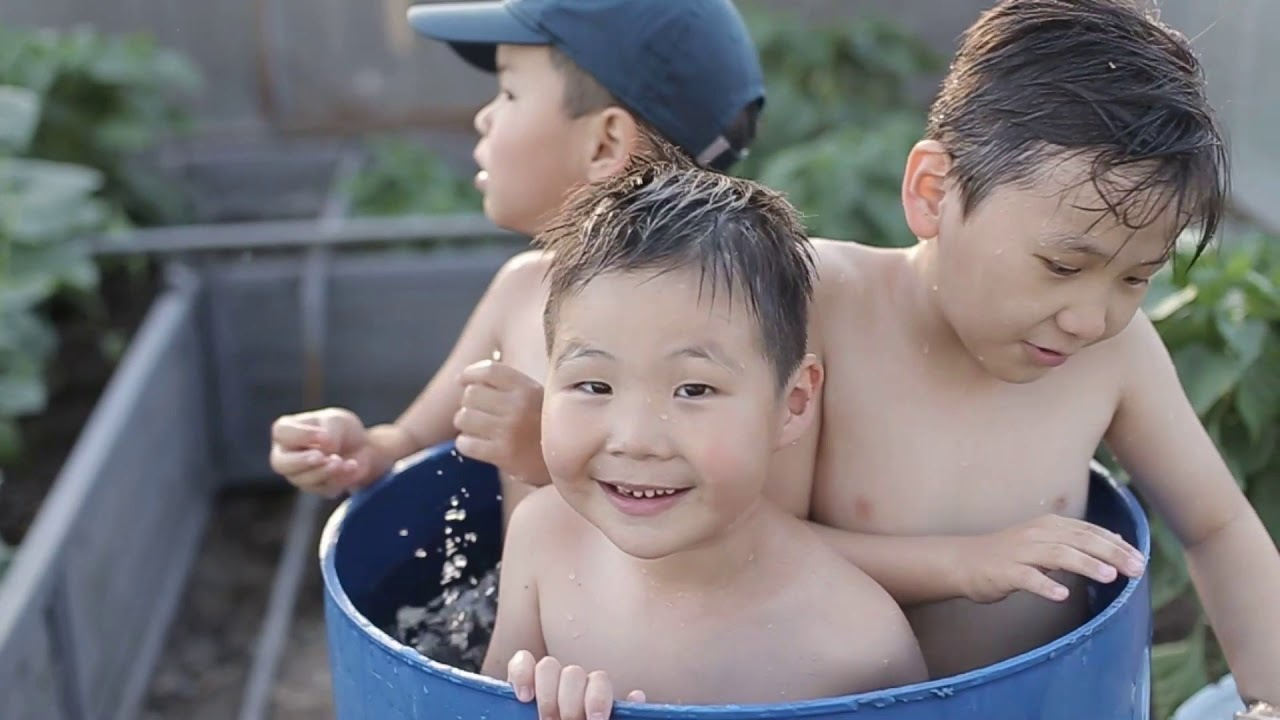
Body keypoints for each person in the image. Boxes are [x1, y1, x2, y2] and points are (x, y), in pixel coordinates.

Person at [802, 0, 1280, 707]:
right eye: (1061, 266)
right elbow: (738, 544)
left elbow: (1217, 527)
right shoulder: (820, 307)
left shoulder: (1115, 358)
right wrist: (962, 564)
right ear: (934, 193)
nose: (1092, 318)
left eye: (1135, 279)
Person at [265, 0, 804, 527]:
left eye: (509, 91)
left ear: (605, 142)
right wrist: (359, 450)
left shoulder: (731, 317)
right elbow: (407, 443)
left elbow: (744, 534)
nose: (483, 115)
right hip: (532, 614)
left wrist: (548, 456)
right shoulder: (520, 291)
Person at [485, 159, 927, 720]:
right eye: (593, 384)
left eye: (694, 390)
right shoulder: (544, 538)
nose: (636, 440)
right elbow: (471, 706)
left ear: (792, 405)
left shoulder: (852, 644)